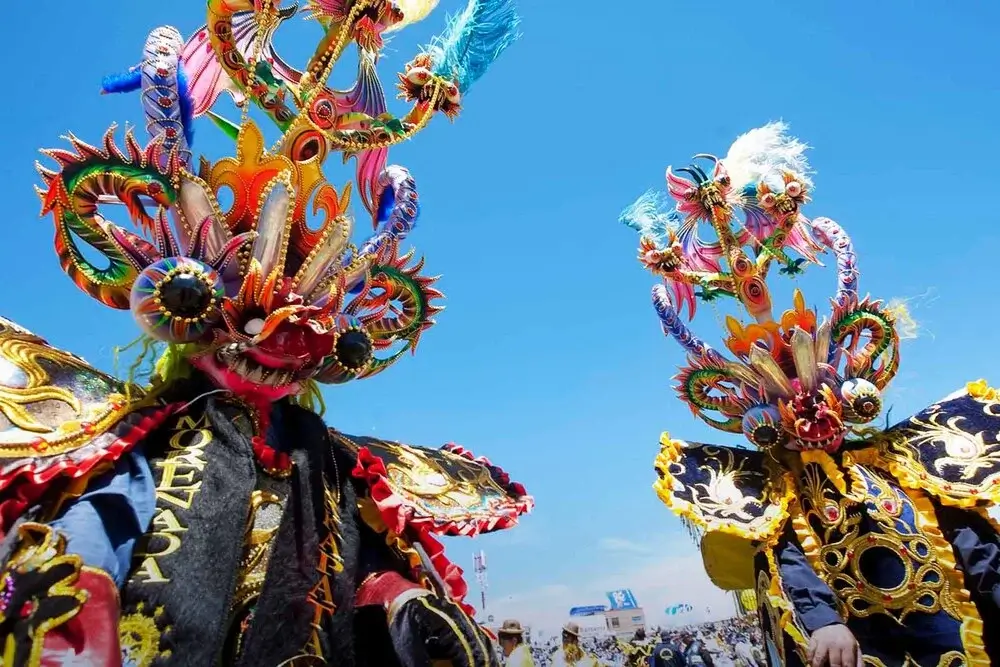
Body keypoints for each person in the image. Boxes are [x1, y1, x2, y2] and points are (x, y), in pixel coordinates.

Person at [0, 1, 528, 666]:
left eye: (330, 342)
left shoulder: (330, 465)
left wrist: (399, 597)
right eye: (217, 301)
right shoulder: (153, 440)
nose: (281, 340)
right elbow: (100, 526)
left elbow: (357, 557)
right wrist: (84, 597)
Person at [621, 122, 1000, 665]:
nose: (813, 420)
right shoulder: (781, 491)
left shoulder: (899, 464)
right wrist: (823, 621)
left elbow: (971, 542)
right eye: (780, 419)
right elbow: (788, 553)